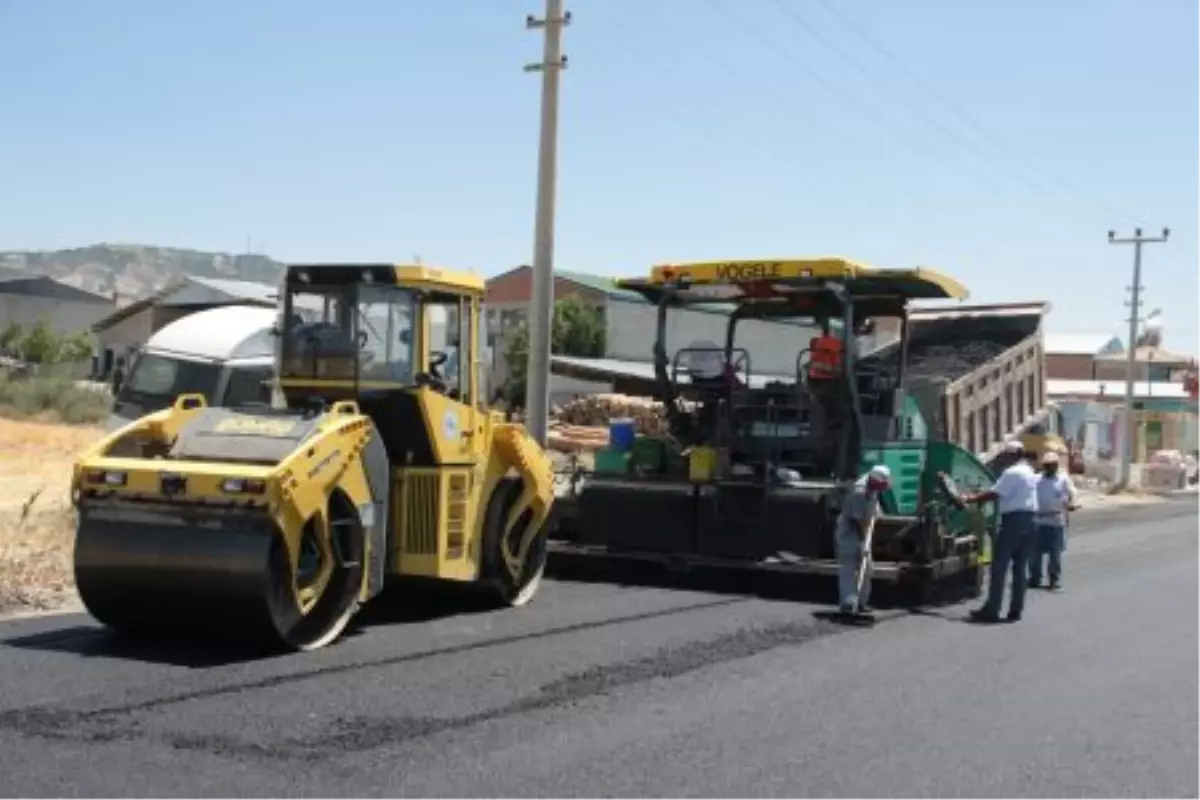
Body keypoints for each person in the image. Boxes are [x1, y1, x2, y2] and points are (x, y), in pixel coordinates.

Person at [954, 443, 1039, 623]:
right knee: (1020, 568)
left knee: (999, 567)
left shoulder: (1012, 473)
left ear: (1012, 455)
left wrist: (970, 498)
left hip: (1014, 521)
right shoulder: (1029, 471)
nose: (1003, 459)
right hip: (1030, 521)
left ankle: (992, 609)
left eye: (1006, 455)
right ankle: (1016, 610)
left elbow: (995, 493)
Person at [835, 464, 891, 615]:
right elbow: (860, 522)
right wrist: (864, 543)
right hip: (850, 534)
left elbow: (874, 510)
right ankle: (847, 603)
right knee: (849, 568)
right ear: (873, 480)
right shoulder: (858, 492)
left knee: (866, 569)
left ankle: (861, 603)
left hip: (863, 531)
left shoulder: (873, 487)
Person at [1029, 450, 1079, 591]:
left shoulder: (1063, 479)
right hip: (1038, 520)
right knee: (1035, 553)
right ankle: (1034, 578)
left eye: (1053, 465)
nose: (1050, 467)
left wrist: (1072, 503)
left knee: (1055, 554)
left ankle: (1054, 579)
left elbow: (1073, 493)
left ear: (1057, 466)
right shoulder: (1036, 479)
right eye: (1047, 465)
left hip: (1056, 520)